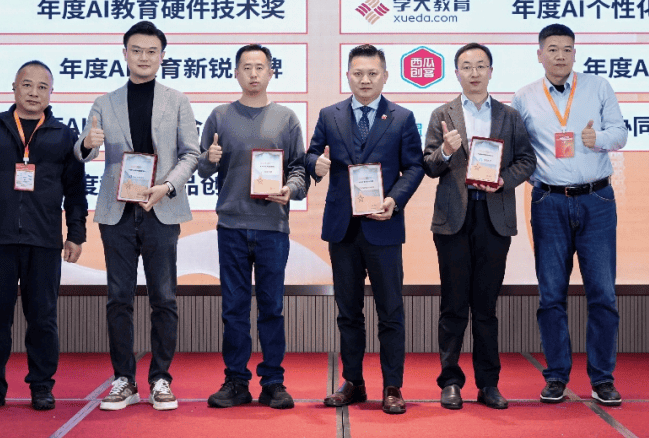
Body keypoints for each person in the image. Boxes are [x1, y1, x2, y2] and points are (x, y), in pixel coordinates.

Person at [75, 21, 199, 411]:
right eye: (136, 50)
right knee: (118, 298)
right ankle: (124, 380)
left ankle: (161, 378)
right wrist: (87, 142)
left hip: (161, 207)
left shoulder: (177, 101)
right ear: (124, 54)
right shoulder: (104, 102)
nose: (144, 57)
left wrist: (168, 186)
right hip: (118, 211)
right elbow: (86, 152)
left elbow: (191, 154)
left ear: (162, 57)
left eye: (151, 51)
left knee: (164, 297)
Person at [0, 61, 87, 413]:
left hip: (43, 240)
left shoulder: (64, 136)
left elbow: (76, 191)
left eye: (42, 87)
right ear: (13, 88)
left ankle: (41, 386)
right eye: (27, 85)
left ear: (51, 93)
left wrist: (76, 234)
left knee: (43, 319)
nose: (33, 93)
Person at [511, 24, 627, 407]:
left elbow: (621, 132)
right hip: (549, 202)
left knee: (603, 294)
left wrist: (600, 139)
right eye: (552, 49)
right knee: (551, 295)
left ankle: (603, 379)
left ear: (575, 53)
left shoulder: (598, 87)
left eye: (567, 49)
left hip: (597, 201)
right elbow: (517, 149)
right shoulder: (524, 97)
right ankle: (557, 376)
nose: (560, 55)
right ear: (539, 54)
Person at [306, 44, 425, 415]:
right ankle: (353, 382)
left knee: (390, 311)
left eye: (373, 73)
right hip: (342, 228)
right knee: (348, 312)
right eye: (358, 73)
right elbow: (311, 155)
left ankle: (392, 386)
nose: (365, 80)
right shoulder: (330, 115)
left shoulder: (402, 118)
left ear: (385, 76)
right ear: (348, 76)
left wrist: (395, 199)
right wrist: (315, 165)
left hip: (382, 225)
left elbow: (415, 167)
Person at [422, 43, 535, 410]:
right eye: (467, 66)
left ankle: (489, 384)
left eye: (480, 66)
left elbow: (526, 160)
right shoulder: (442, 114)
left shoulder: (509, 116)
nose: (474, 73)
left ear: (490, 71)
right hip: (453, 219)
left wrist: (503, 180)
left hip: (493, 217)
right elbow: (429, 165)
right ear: (456, 73)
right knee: (453, 305)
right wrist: (446, 150)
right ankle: (450, 382)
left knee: (486, 308)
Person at [196, 44, 308, 409]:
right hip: (231, 225)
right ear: (236, 73)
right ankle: (236, 381)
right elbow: (204, 168)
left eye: (260, 67)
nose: (254, 73)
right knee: (234, 308)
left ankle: (273, 382)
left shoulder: (286, 118)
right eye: (247, 67)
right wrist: (209, 158)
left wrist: (291, 189)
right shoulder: (219, 116)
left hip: (272, 226)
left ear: (271, 72)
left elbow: (299, 168)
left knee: (272, 308)